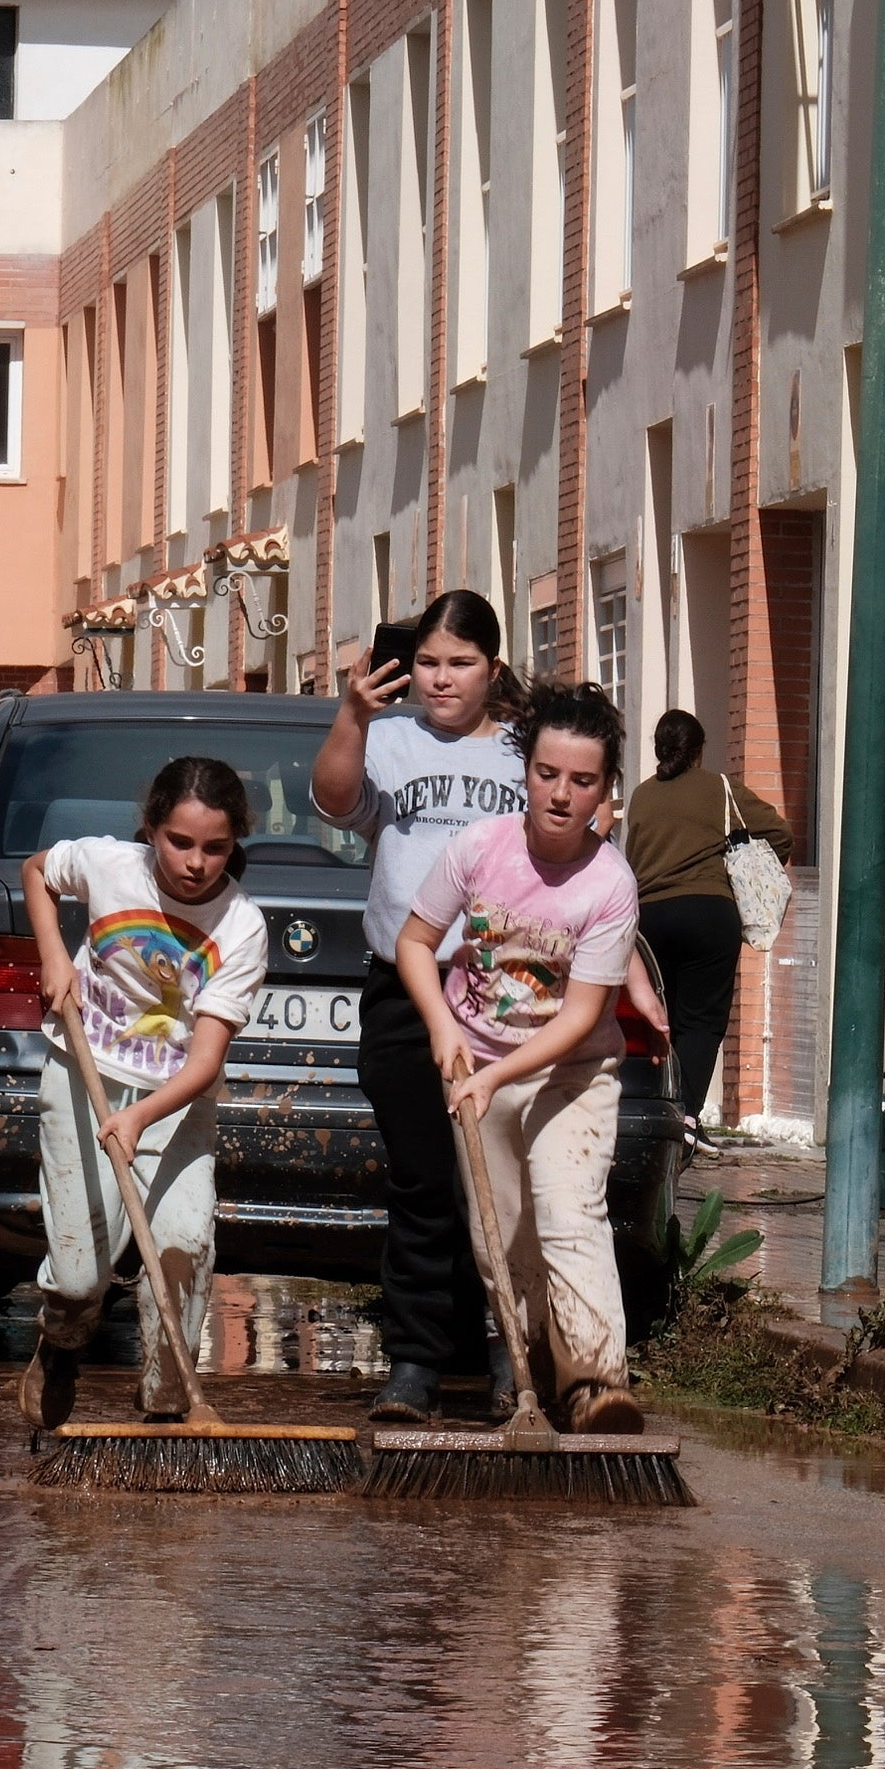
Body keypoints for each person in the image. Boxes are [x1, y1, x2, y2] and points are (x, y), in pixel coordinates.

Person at [393, 679, 652, 1436]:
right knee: (500, 1240)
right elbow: (414, 943)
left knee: (571, 1215)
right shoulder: (478, 847)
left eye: (582, 781)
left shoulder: (609, 886)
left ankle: (600, 1382)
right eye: (547, 775)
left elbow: (581, 1016)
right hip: (474, 1067)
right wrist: (443, 1029)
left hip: (570, 1072)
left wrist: (501, 1070)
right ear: (525, 770)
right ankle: (542, 1377)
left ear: (606, 788)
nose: (562, 795)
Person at [313, 590, 528, 1424]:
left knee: (501, 1180)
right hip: (406, 982)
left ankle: (513, 1351)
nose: (442, 680)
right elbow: (335, 802)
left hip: (507, 987)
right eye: (430, 662)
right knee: (422, 1177)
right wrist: (351, 715)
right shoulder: (389, 738)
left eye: (461, 664)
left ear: (492, 670)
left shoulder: (522, 750)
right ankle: (416, 1364)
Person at [17, 756, 268, 1434]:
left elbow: (206, 1057)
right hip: (83, 1073)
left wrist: (141, 1116)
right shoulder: (106, 865)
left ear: (234, 843)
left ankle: (164, 1408)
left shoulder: (240, 925)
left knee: (182, 1245)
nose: (195, 862)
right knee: (77, 1275)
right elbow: (38, 872)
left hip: (175, 1100)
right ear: (150, 829)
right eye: (179, 842)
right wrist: (51, 953)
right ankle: (63, 1340)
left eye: (215, 848)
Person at [622, 708, 794, 1137]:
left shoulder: (640, 796)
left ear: (659, 749)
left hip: (651, 918)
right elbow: (780, 833)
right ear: (698, 752)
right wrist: (737, 849)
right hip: (708, 913)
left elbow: (631, 861)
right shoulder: (719, 787)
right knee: (701, 1022)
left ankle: (655, 1107)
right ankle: (686, 1116)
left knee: (662, 1017)